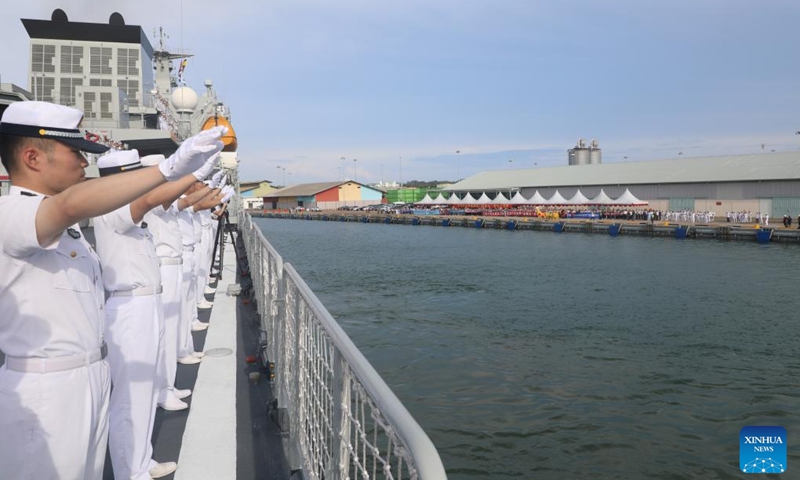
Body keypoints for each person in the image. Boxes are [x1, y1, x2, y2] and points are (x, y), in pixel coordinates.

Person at [0, 101, 223, 479]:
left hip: (86, 372)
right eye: (76, 152)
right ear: (33, 157)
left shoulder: (61, 222)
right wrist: (170, 169)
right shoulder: (12, 214)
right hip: (46, 389)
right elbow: (72, 204)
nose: (84, 163)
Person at [94, 149, 219, 480]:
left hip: (146, 300)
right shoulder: (114, 208)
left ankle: (141, 460)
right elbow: (160, 198)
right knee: (130, 396)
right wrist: (193, 173)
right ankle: (130, 471)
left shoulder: (132, 210)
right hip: (130, 306)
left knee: (145, 389)